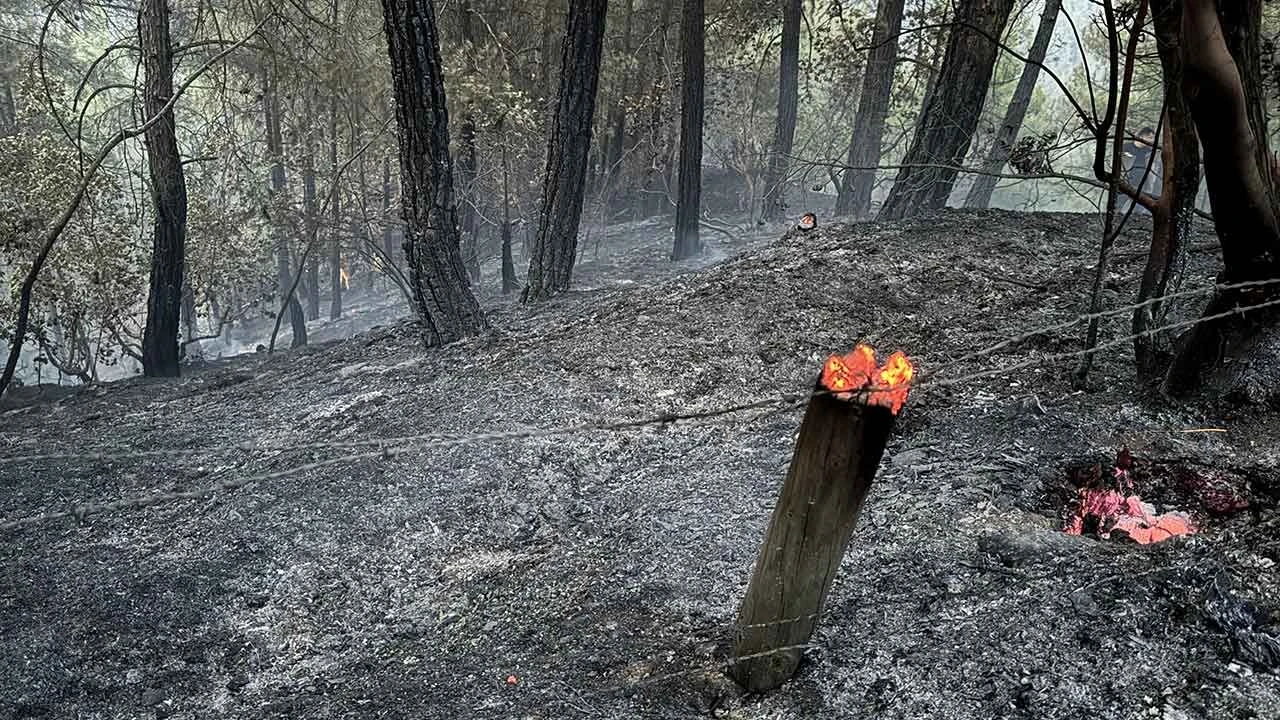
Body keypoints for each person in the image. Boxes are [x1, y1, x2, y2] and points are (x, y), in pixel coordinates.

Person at [1122, 127, 1161, 214]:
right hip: (1128, 178)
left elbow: (1154, 167)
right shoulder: (1126, 147)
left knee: (1141, 202)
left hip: (1144, 181)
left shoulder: (1150, 151)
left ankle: (1136, 216)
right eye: (1150, 137)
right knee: (1123, 200)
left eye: (1153, 138)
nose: (1152, 140)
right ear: (1141, 136)